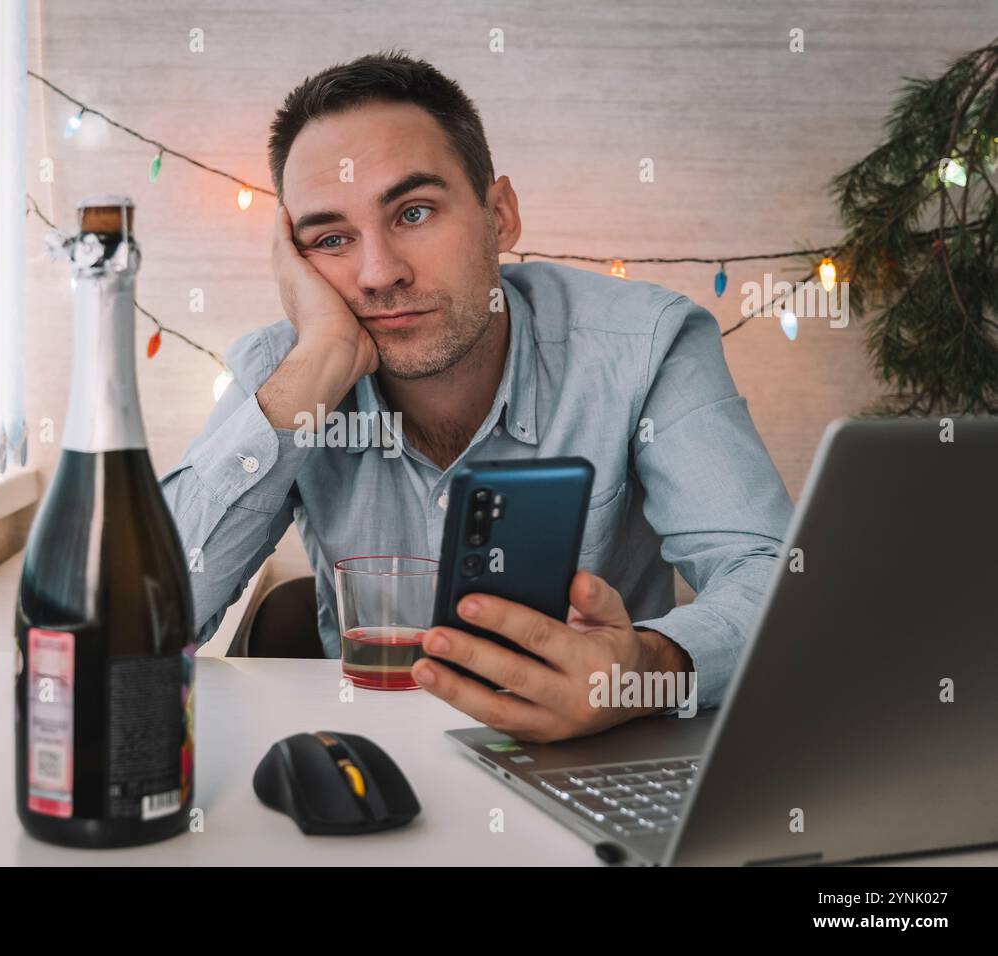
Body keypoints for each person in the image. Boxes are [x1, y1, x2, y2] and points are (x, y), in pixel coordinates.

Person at [161, 51, 793, 742]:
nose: (379, 274)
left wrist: (646, 667)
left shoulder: (646, 345)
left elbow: (773, 580)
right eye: (332, 238)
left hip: (588, 764)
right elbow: (134, 625)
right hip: (368, 759)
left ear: (501, 214)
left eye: (415, 212)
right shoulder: (284, 373)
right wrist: (317, 369)